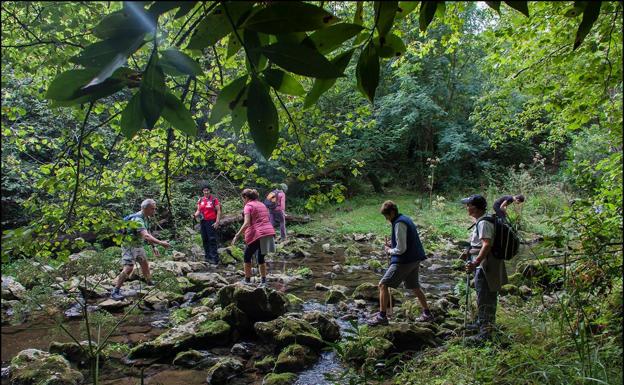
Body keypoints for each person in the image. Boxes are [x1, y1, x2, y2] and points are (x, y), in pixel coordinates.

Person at [369, 200, 433, 326]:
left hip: (405, 260)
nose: (386, 219)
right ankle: (427, 313)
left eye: (387, 215)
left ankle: (382, 316)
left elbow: (401, 249)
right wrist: (393, 245)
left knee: (383, 285)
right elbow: (404, 242)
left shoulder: (399, 224)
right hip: (415, 259)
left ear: (392, 212)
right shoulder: (405, 219)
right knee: (415, 287)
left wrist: (390, 250)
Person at [460, 194, 508, 342]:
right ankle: (482, 323)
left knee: (485, 296)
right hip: (485, 263)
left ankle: (485, 334)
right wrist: (470, 252)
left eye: (468, 205)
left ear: (474, 208)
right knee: (484, 295)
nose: (466, 207)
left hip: (486, 265)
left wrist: (476, 262)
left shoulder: (483, 223)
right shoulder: (483, 220)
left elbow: (487, 245)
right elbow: (481, 245)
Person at [111, 199, 171, 300]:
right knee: (129, 267)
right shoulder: (137, 219)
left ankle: (149, 282)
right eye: (152, 209)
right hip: (129, 245)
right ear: (145, 208)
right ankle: (115, 290)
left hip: (138, 245)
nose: (154, 211)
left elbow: (147, 233)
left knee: (144, 263)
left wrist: (154, 246)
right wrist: (161, 243)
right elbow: (146, 236)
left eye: (154, 209)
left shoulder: (146, 217)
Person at [232, 188, 276, 286]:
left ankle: (247, 280)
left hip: (258, 233)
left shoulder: (248, 206)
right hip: (268, 232)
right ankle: (264, 281)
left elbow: (247, 223)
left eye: (243, 198)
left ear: (246, 197)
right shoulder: (262, 204)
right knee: (260, 257)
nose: (243, 200)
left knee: (247, 256)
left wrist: (237, 235)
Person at [193, 185, 221, 264]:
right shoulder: (200, 200)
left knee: (212, 239)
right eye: (204, 190)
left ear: (210, 191)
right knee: (204, 239)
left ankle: (215, 259)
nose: (206, 192)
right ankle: (207, 257)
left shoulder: (214, 199)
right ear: (202, 191)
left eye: (207, 190)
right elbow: (198, 210)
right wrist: (195, 215)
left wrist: (217, 222)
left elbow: (218, 211)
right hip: (203, 221)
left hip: (211, 221)